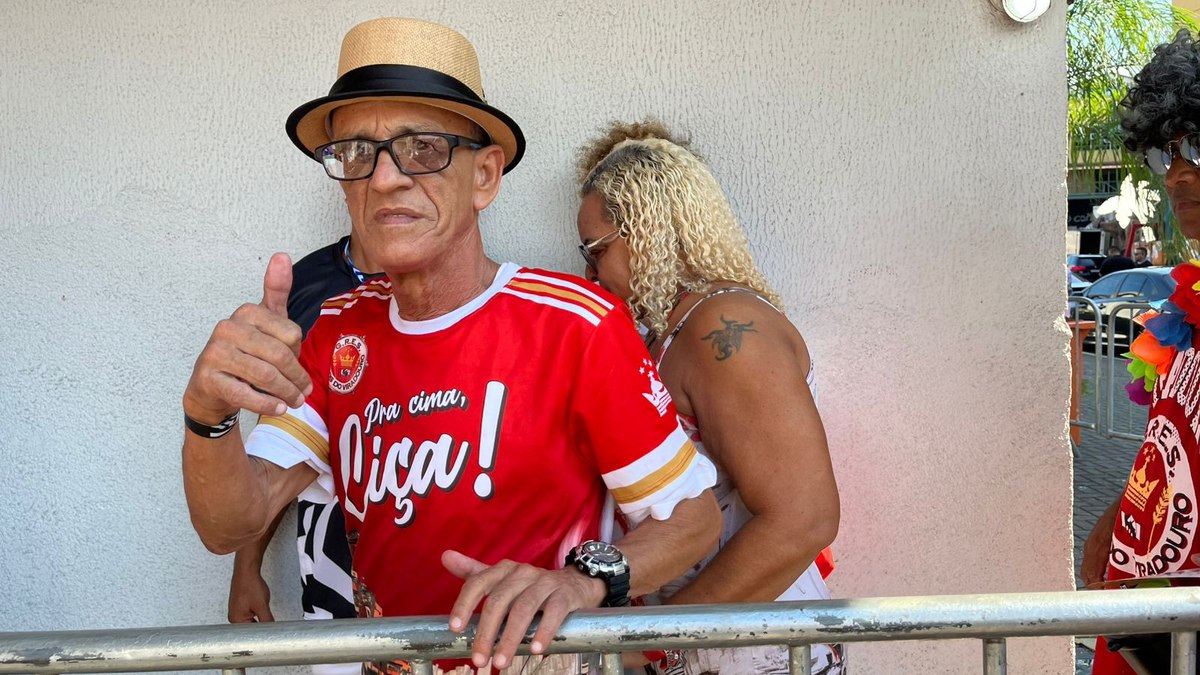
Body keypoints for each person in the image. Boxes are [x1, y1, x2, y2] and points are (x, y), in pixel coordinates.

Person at [181, 18, 721, 675]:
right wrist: (207, 417)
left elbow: (692, 519)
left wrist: (582, 579)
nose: (385, 179)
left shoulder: (576, 324)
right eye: (357, 152)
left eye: (423, 148)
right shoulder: (338, 331)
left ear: (485, 176)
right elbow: (230, 524)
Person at [574, 120, 843, 675]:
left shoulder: (725, 328)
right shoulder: (676, 332)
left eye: (597, 250)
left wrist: (659, 643)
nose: (589, 272)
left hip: (758, 653)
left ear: (649, 232)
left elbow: (802, 519)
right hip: (717, 645)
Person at [1081, 30, 1200, 675]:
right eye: (1166, 152)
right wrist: (1116, 516)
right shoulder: (1188, 307)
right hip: (1145, 612)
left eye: (1196, 147)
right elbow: (1172, 447)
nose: (1178, 173)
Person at [228, 234, 380, 675]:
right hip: (332, 558)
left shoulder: (460, 287)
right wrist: (247, 566)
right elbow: (278, 442)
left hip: (428, 563)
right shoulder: (307, 286)